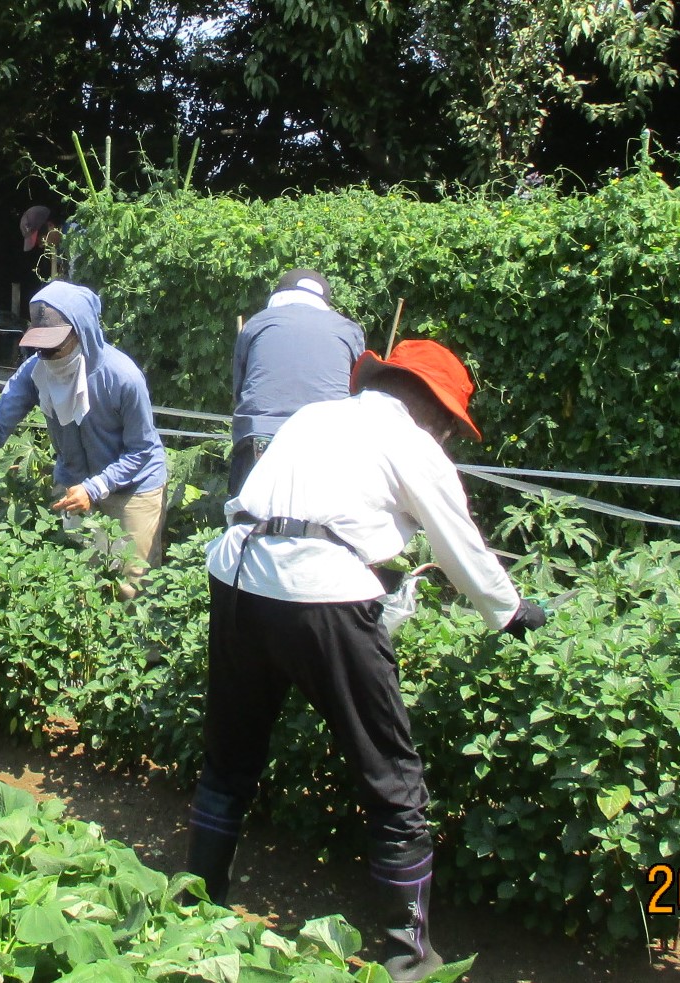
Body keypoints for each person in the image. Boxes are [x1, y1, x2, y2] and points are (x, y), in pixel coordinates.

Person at [185, 340, 547, 982]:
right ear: (432, 408)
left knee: (231, 750)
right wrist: (511, 611)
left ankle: (193, 895)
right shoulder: (412, 442)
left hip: (239, 573)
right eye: (449, 423)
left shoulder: (315, 415)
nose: (447, 435)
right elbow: (458, 542)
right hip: (322, 593)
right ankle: (410, 954)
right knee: (390, 771)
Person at [0, 280, 167, 594]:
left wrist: (95, 487)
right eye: (39, 344)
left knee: (132, 585)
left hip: (132, 488)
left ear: (81, 332)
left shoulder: (122, 377)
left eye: (54, 344)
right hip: (76, 485)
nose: (45, 353)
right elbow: (1, 418)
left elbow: (140, 450)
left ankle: (138, 644)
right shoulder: (37, 369)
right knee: (82, 581)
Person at [229, 268, 365, 495]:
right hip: (329, 440)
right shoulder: (347, 329)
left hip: (260, 438)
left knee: (247, 521)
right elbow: (358, 391)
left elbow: (239, 390)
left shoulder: (257, 323)